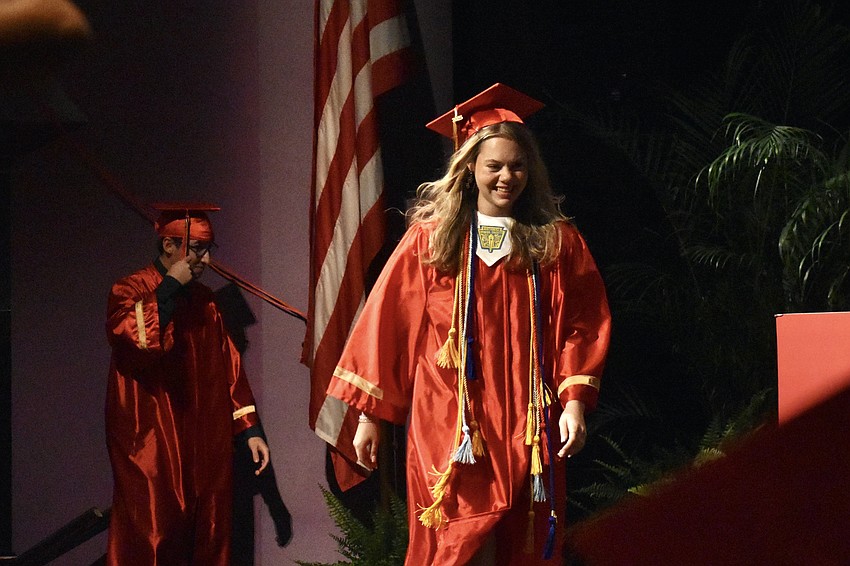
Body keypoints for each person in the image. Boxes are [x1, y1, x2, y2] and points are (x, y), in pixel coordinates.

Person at [326, 83, 612, 565]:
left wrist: (575, 402)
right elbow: (387, 325)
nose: (507, 177)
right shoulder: (432, 242)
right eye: (494, 166)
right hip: (451, 426)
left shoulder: (555, 244)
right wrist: (369, 417)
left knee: (520, 544)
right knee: (454, 545)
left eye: (517, 165)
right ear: (469, 169)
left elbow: (582, 325)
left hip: (528, 423)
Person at [104, 203, 270, 565]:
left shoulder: (206, 303)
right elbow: (137, 340)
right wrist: (168, 289)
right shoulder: (129, 290)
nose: (205, 261)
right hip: (150, 435)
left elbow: (229, 367)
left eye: (207, 250)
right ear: (169, 246)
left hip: (203, 438)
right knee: (155, 532)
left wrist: (249, 429)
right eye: (197, 250)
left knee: (208, 531)